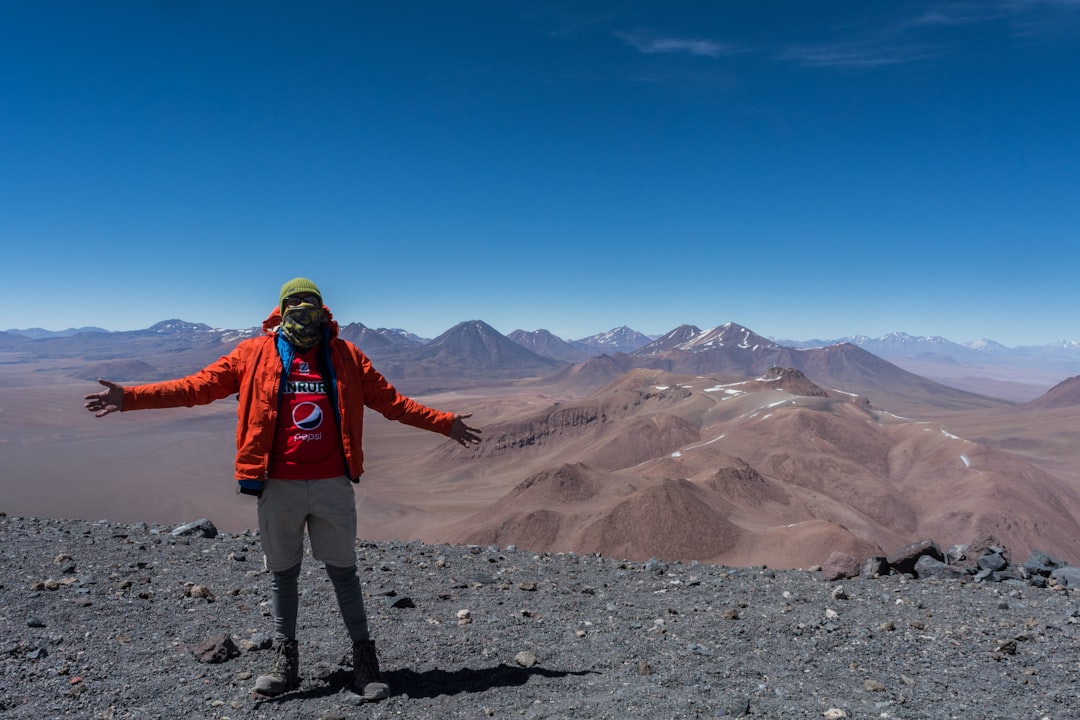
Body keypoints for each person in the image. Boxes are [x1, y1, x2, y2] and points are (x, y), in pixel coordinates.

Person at [83, 277, 481, 700]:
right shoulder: (252, 354)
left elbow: (393, 402)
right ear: (280, 309)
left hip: (332, 484)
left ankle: (365, 663)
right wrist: (131, 397)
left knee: (344, 572)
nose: (303, 308)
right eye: (295, 302)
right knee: (282, 575)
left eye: (310, 301)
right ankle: (284, 661)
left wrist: (443, 422)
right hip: (277, 484)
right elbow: (196, 387)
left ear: (324, 309)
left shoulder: (346, 356)